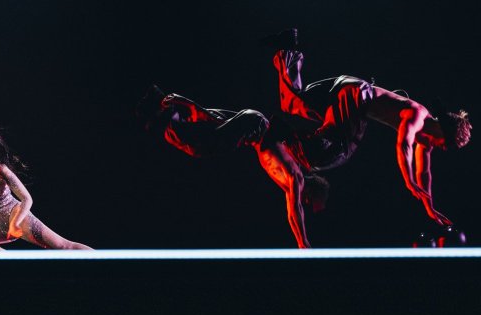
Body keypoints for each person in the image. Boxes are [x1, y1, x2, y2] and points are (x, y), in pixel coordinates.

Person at [265, 28, 471, 227]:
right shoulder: (417, 116)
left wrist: (429, 207)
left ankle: (286, 47)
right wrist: (408, 181)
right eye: (447, 144)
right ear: (443, 129)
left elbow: (424, 173)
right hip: (357, 95)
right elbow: (403, 145)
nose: (443, 148)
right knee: (339, 150)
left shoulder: (426, 140)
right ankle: (283, 134)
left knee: (293, 101)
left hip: (347, 89)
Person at [137, 85, 329, 248]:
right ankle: (172, 108)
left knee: (209, 122)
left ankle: (167, 106)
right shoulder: (296, 177)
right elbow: (295, 211)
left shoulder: (292, 179)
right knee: (203, 144)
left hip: (253, 124)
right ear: (312, 193)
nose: (305, 204)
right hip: (255, 125)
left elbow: (292, 211)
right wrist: (304, 244)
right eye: (310, 203)